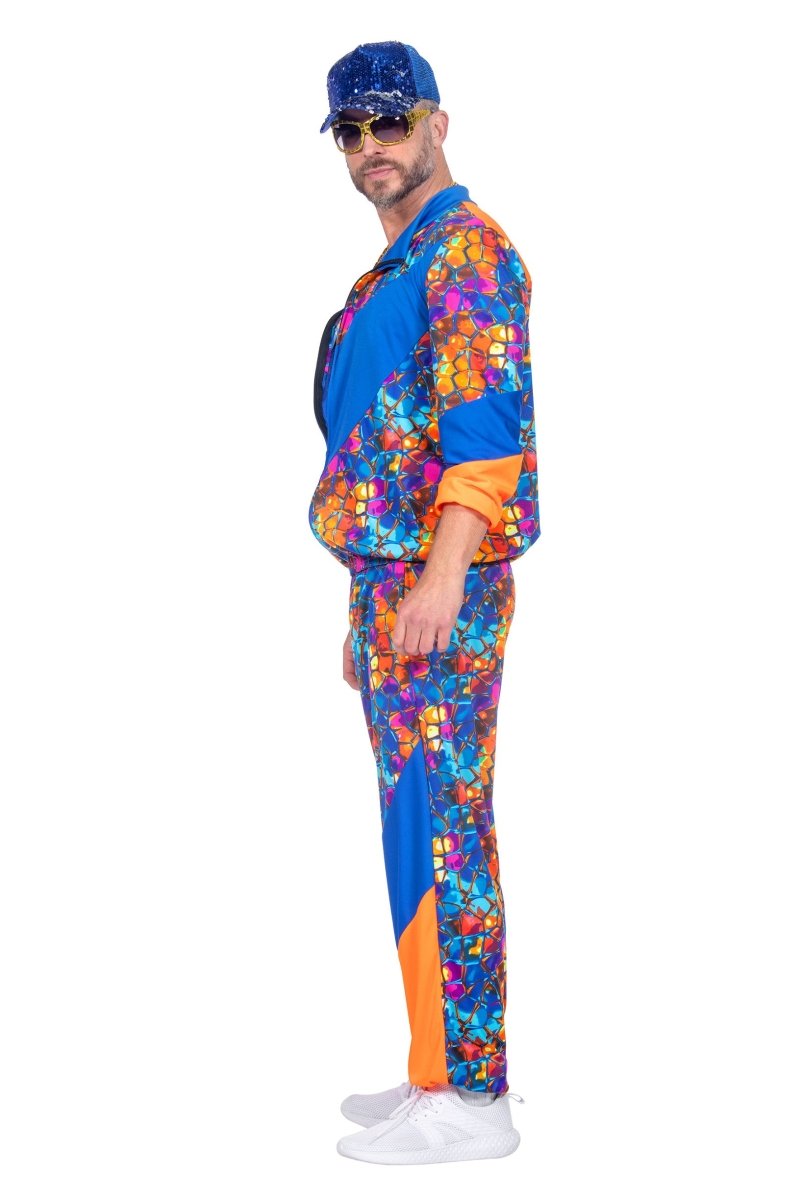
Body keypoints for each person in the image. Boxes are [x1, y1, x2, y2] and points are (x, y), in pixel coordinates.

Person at [308, 40, 540, 1165]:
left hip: (439, 590)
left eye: (390, 123)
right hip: (393, 592)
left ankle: (474, 1098)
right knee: (415, 823)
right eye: (351, 132)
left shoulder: (465, 253)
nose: (371, 148)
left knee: (445, 829)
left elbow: (485, 442)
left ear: (436, 124)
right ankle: (434, 1067)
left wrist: (441, 579)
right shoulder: (399, 265)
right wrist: (369, 604)